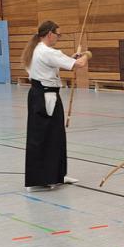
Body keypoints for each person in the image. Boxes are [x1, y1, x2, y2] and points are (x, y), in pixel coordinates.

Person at [21, 21, 88, 192]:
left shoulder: (35, 49)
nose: (59, 38)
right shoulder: (47, 52)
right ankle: (39, 181)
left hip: (38, 95)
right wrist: (87, 54)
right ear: (50, 34)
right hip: (47, 98)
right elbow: (80, 64)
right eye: (58, 35)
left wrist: (70, 59)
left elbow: (54, 64)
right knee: (46, 137)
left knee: (53, 136)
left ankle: (57, 175)